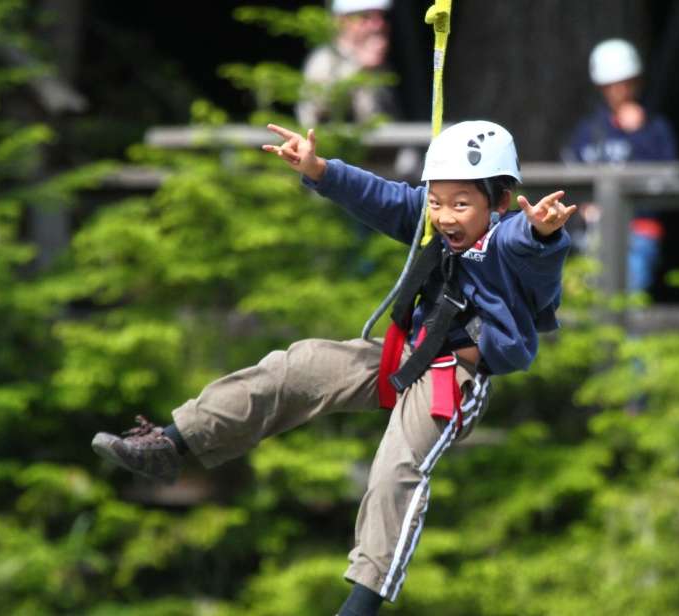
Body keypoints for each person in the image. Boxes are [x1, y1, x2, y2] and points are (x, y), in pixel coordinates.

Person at [91, 120, 574, 615]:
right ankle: (174, 441)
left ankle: (362, 604)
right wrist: (319, 169)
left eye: (461, 204)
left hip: (451, 378)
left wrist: (542, 232)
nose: (445, 216)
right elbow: (379, 196)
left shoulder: (510, 239)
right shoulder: (428, 222)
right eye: (437, 200)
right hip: (405, 356)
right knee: (297, 367)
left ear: (497, 202)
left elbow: (531, 250)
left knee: (396, 466)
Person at [562, 38, 679, 293]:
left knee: (630, 298)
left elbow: (669, 176)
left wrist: (639, 133)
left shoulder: (655, 129)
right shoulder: (588, 130)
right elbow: (570, 174)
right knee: (591, 301)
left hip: (638, 230)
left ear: (636, 82)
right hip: (593, 232)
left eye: (625, 83)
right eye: (611, 85)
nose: (618, 91)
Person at [297, 0, 401, 128]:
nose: (378, 25)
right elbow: (321, 110)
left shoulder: (382, 64)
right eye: (365, 17)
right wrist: (360, 69)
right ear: (341, 21)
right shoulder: (325, 59)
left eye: (382, 17)